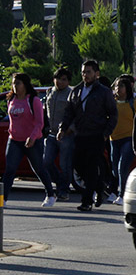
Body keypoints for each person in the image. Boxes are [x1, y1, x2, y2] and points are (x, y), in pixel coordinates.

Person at [59, 60, 117, 212]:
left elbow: (113, 114)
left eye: (88, 72)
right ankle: (99, 186)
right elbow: (69, 112)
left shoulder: (103, 92)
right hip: (80, 135)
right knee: (78, 165)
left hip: (97, 135)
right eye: (83, 72)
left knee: (91, 167)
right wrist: (62, 128)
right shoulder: (76, 90)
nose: (85, 75)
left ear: (96, 74)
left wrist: (106, 133)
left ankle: (86, 201)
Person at [3, 72, 56, 206]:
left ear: (25, 84)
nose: (15, 86)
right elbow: (11, 121)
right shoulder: (11, 100)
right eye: (13, 83)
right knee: (9, 170)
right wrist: (11, 132)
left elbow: (40, 122)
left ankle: (50, 194)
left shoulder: (33, 100)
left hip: (32, 141)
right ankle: (2, 200)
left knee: (38, 168)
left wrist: (32, 137)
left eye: (18, 83)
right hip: (14, 140)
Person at [43, 68, 75, 201]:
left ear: (68, 81)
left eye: (64, 79)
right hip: (51, 133)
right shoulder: (50, 91)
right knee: (46, 162)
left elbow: (77, 114)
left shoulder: (72, 94)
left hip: (66, 134)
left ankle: (64, 190)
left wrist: (70, 128)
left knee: (65, 164)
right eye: (58, 79)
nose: (60, 82)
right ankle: (60, 182)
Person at [108, 76, 136, 205]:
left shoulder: (134, 103)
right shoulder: (111, 102)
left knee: (122, 167)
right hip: (113, 138)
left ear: (127, 88)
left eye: (121, 86)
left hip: (128, 138)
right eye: (116, 86)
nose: (118, 89)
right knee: (115, 169)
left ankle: (122, 195)